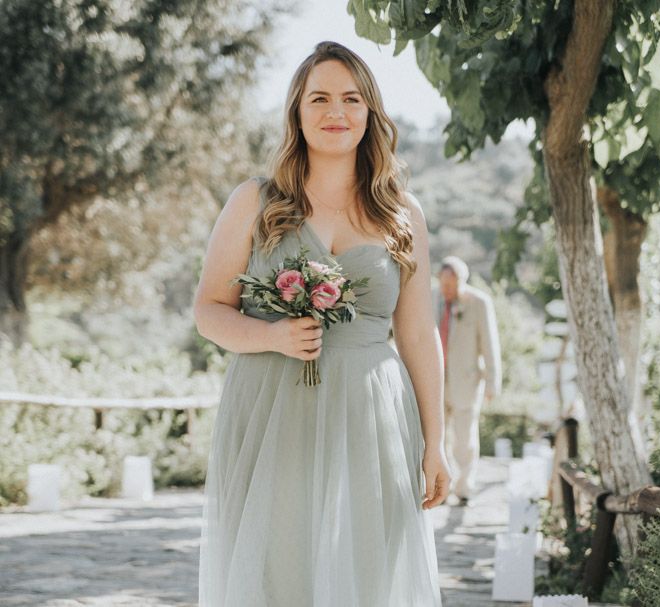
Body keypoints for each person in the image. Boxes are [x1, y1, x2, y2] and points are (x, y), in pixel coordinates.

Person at [194, 41, 451, 606]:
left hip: (370, 415)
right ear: (297, 112)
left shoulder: (402, 214)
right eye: (320, 98)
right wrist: (271, 336)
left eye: (351, 98)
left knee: (366, 571)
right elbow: (209, 310)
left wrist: (436, 442)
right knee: (276, 566)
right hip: (270, 413)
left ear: (370, 112)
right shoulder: (254, 203)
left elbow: (416, 334)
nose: (336, 112)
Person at [433, 256, 501, 506]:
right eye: (443, 283)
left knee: (465, 439)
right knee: (439, 437)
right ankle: (443, 486)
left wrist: (493, 381)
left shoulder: (479, 303)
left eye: (450, 284)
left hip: (467, 382)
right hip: (436, 382)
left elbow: (490, 344)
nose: (446, 289)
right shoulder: (432, 298)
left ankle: (464, 486)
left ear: (462, 281)